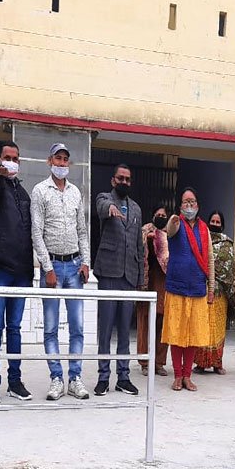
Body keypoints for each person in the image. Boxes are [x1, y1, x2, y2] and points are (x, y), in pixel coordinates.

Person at [31, 143, 91, 401]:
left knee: (77, 326)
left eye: (66, 159)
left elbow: (82, 230)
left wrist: (86, 262)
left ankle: (75, 378)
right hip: (53, 268)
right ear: (50, 161)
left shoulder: (76, 192)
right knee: (51, 327)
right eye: (58, 158)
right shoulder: (40, 191)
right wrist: (47, 268)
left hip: (75, 266)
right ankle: (56, 377)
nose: (62, 163)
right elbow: (36, 232)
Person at [0, 141, 34, 403]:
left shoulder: (23, 193)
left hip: (21, 271)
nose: (11, 162)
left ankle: (15, 381)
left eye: (15, 158)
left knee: (14, 328)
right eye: (7, 158)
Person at [93, 164, 144, 396]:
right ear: (113, 180)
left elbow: (139, 245)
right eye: (120, 178)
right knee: (105, 329)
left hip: (129, 276)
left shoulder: (136, 208)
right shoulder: (104, 198)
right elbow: (102, 207)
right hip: (109, 273)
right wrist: (111, 208)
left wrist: (140, 278)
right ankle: (103, 377)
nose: (124, 182)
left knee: (125, 330)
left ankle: (123, 377)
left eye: (128, 179)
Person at [161, 188, 215, 392]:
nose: (189, 205)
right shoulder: (176, 223)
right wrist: (173, 220)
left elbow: (210, 259)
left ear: (198, 205)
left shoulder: (204, 229)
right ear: (180, 206)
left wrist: (212, 287)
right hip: (177, 287)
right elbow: (169, 230)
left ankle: (187, 376)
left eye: (192, 202)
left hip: (198, 288)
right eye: (185, 202)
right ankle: (177, 375)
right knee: (177, 334)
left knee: (193, 335)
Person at [194, 210, 235, 374]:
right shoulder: (200, 240)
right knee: (202, 327)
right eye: (212, 221)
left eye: (218, 222)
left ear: (222, 225)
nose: (214, 224)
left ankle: (217, 363)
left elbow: (231, 268)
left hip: (220, 294)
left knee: (218, 328)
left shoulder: (227, 244)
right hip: (202, 291)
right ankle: (200, 363)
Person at [137, 205, 170, 377]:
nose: (161, 217)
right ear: (153, 216)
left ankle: (159, 362)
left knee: (162, 323)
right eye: (158, 214)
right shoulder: (144, 231)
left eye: (164, 215)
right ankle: (144, 362)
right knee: (145, 323)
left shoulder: (171, 234)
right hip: (146, 282)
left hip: (164, 283)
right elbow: (138, 251)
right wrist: (149, 239)